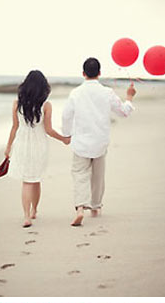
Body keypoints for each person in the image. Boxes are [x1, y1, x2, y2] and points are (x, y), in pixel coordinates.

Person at [62, 57, 136, 226]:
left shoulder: (75, 93)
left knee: (80, 175)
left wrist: (66, 134)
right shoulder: (107, 92)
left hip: (80, 142)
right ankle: (95, 207)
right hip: (100, 141)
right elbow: (124, 112)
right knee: (98, 176)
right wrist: (129, 97)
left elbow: (66, 115)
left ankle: (80, 208)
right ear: (99, 73)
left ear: (83, 73)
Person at [4, 70, 71, 228]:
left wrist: (8, 147)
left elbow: (14, 127)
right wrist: (63, 139)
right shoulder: (46, 105)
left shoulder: (16, 104)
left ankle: (27, 216)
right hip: (39, 145)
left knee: (27, 181)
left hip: (22, 144)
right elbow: (48, 130)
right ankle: (34, 210)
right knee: (35, 179)